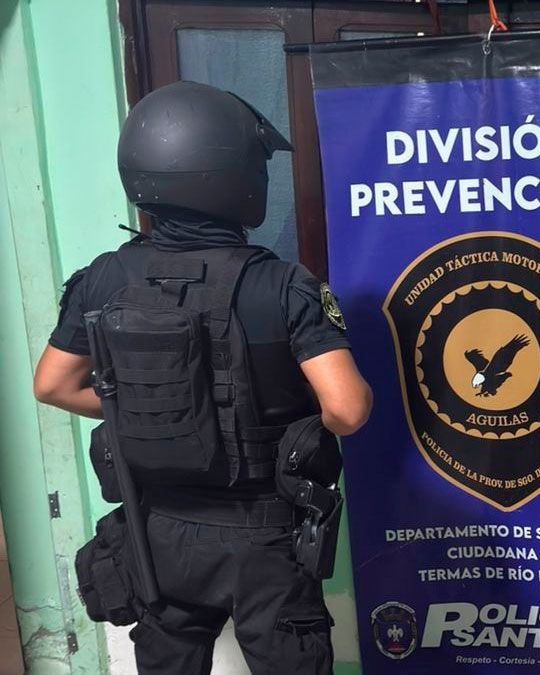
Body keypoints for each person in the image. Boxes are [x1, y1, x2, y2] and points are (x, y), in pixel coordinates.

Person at [32, 80, 373, 674]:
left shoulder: (103, 278)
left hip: (156, 532)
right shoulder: (283, 286)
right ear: (237, 177)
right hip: (264, 535)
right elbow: (346, 410)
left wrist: (161, 411)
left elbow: (53, 385)